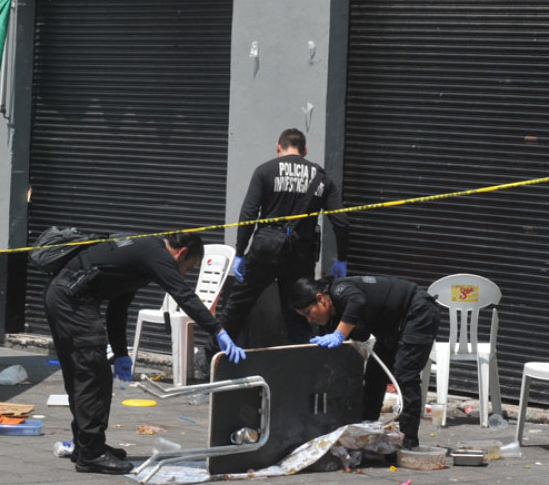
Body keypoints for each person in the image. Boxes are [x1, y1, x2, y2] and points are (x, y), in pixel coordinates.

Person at [44, 232, 246, 475]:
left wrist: (120, 353)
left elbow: (118, 309)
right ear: (181, 254)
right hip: (73, 303)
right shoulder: (156, 255)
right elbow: (183, 295)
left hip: (64, 297)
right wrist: (218, 331)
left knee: (83, 375)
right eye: (188, 267)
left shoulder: (141, 255)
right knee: (92, 378)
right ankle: (91, 454)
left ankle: (86, 445)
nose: (185, 273)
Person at [218, 128, 349, 347]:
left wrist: (240, 252)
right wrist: (342, 258)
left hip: (265, 250)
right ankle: (302, 365)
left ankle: (211, 357)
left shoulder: (265, 171)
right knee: (299, 312)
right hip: (301, 253)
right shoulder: (322, 178)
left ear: (278, 147)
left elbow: (248, 215)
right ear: (305, 150)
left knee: (238, 306)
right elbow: (341, 222)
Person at [290, 275, 440, 449]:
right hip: (392, 326)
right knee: (374, 376)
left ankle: (409, 442)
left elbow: (358, 300)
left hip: (418, 311)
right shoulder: (332, 318)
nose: (310, 320)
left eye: (308, 312)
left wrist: (340, 334)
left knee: (405, 375)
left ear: (320, 299)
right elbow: (361, 334)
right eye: (304, 317)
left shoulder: (340, 290)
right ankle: (365, 432)